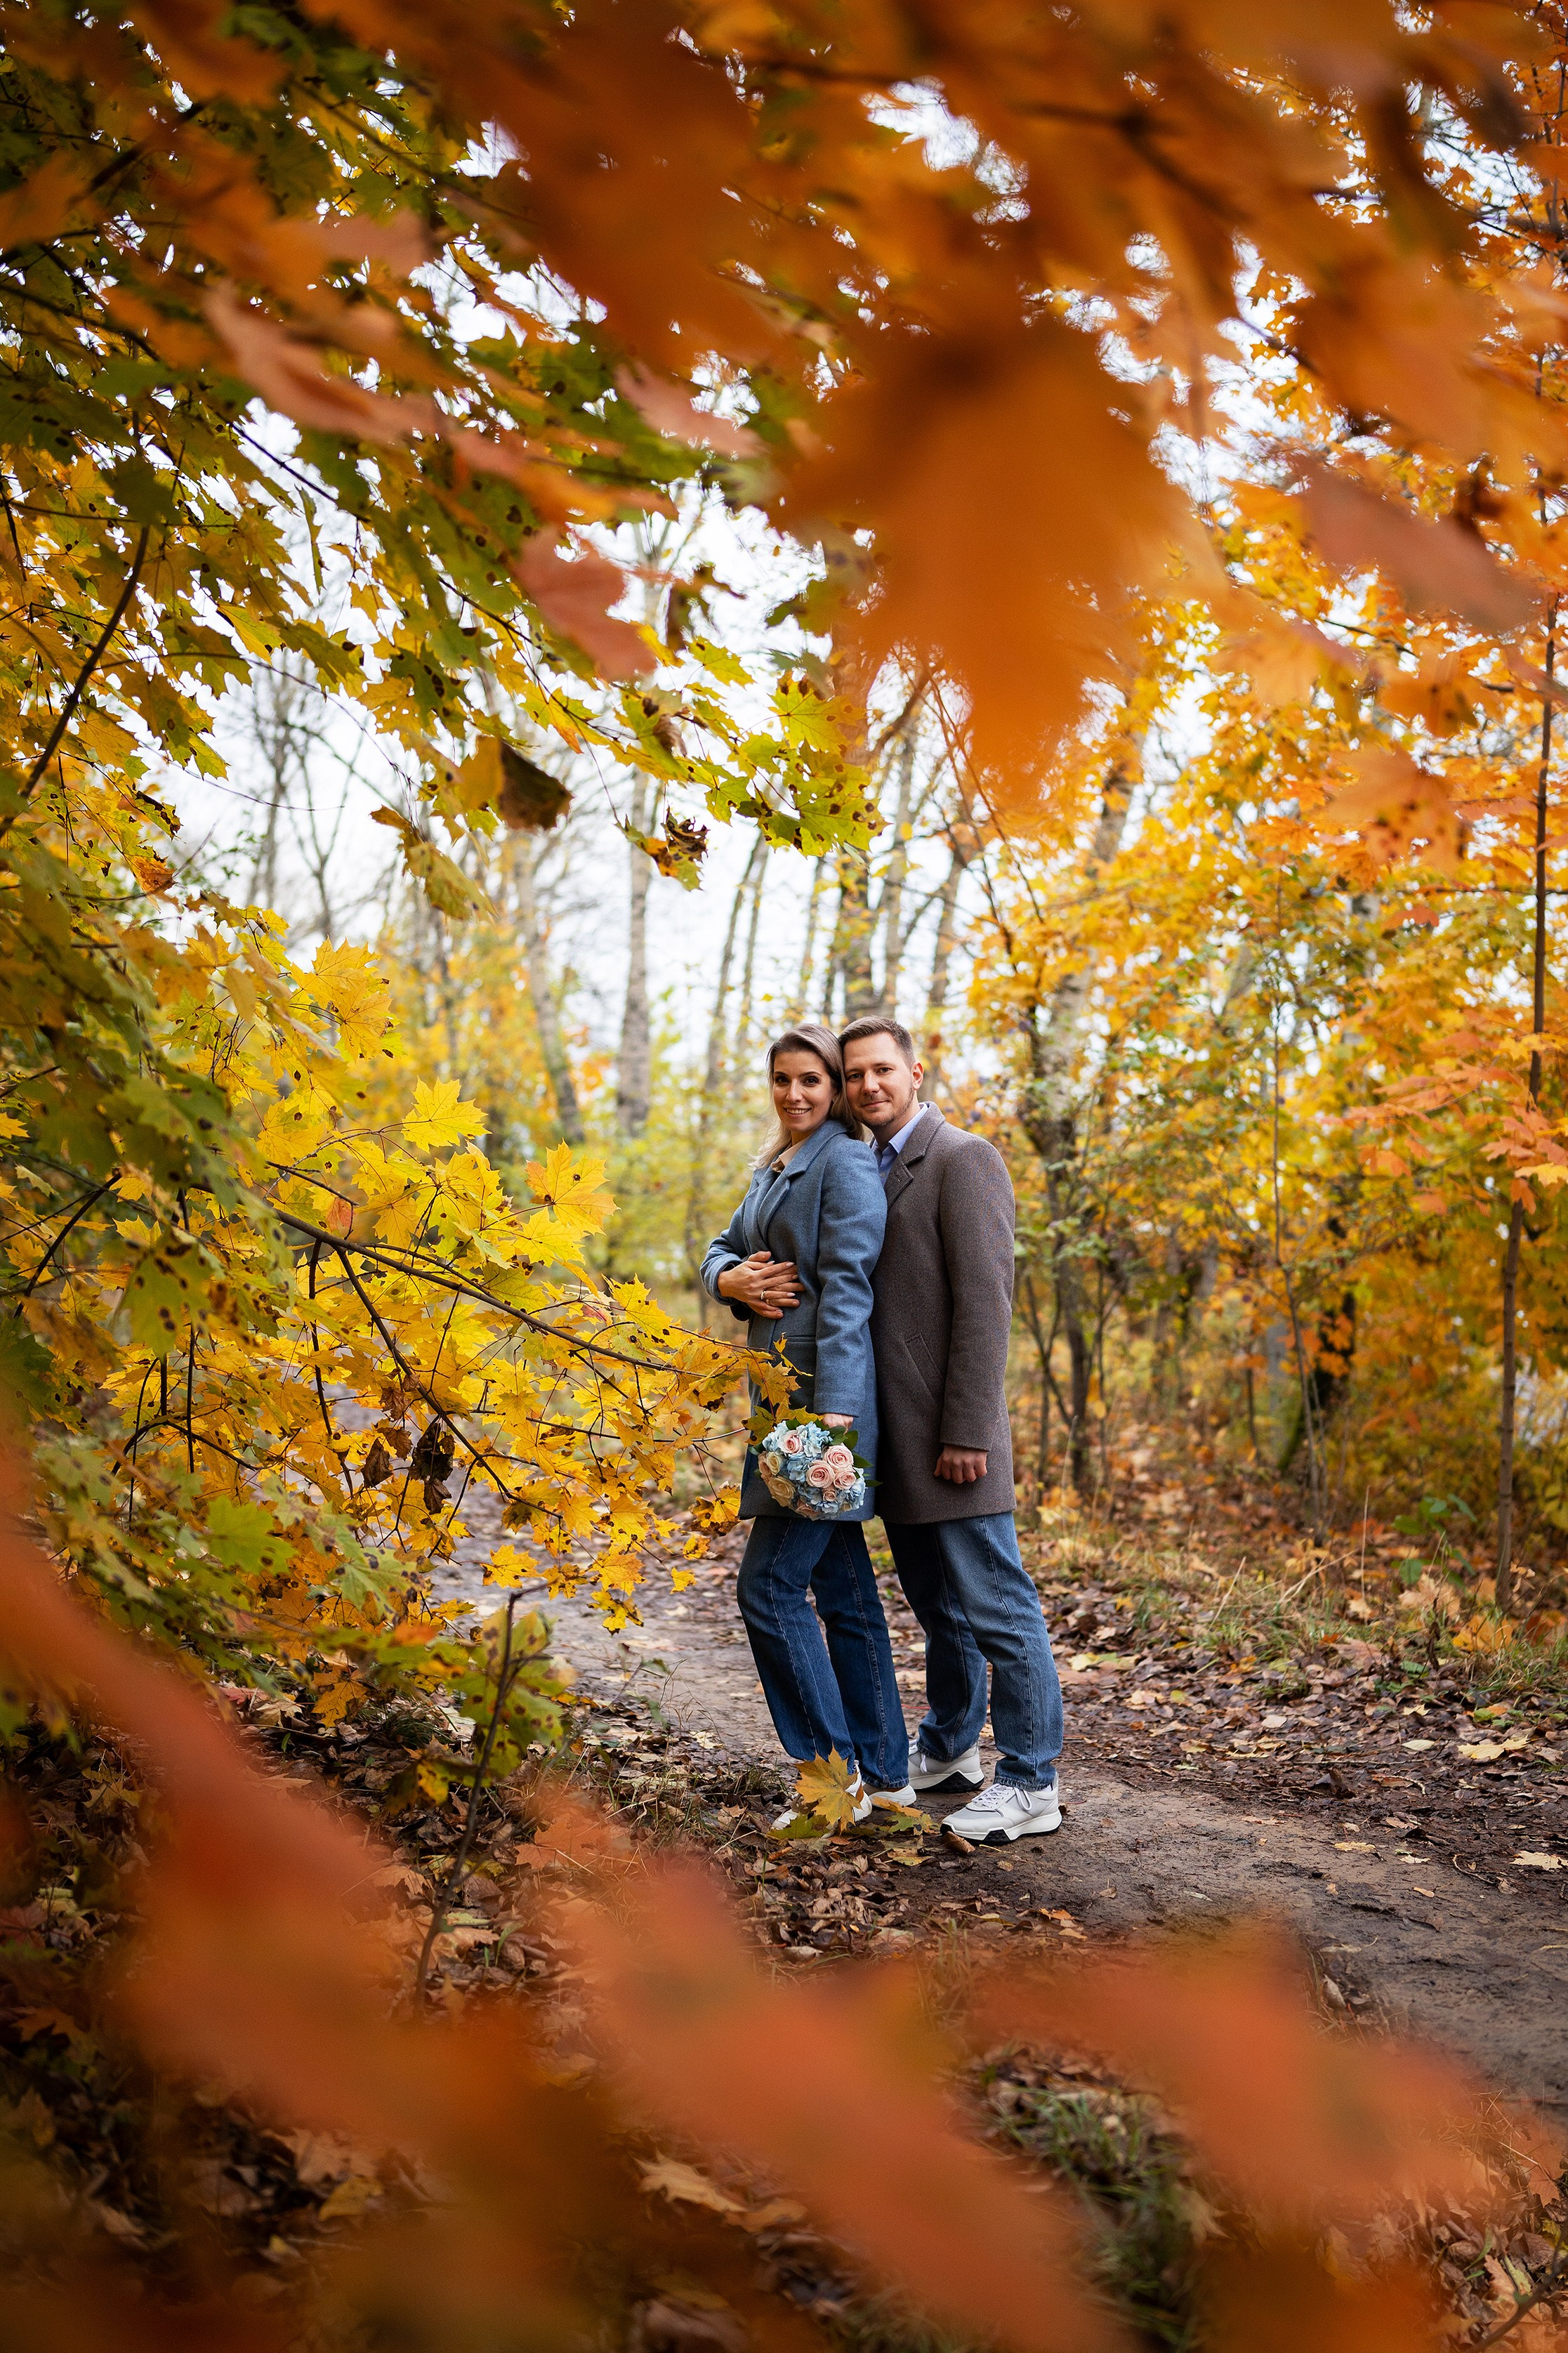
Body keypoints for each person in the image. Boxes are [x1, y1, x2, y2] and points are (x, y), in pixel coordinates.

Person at [840, 1015, 1065, 1844]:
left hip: (954, 1440)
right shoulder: (867, 1163)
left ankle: (1031, 1779)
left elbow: (985, 1303)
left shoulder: (963, 1158)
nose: (868, 1084)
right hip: (898, 1439)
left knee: (998, 1607)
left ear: (915, 1072)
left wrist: (968, 1428)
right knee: (941, 1608)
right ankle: (948, 1747)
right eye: (854, 1073)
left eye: (881, 1069)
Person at [702, 1023, 913, 1828]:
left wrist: (838, 1413)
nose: (794, 1093)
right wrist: (731, 1279)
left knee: (768, 1584)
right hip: (778, 1403)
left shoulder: (844, 1162)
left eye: (811, 1081)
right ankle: (885, 1774)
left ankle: (831, 1782)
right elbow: (720, 1246)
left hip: (822, 1409)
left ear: (833, 1089)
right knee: (845, 1591)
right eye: (783, 1079)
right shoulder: (779, 1164)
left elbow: (851, 1290)